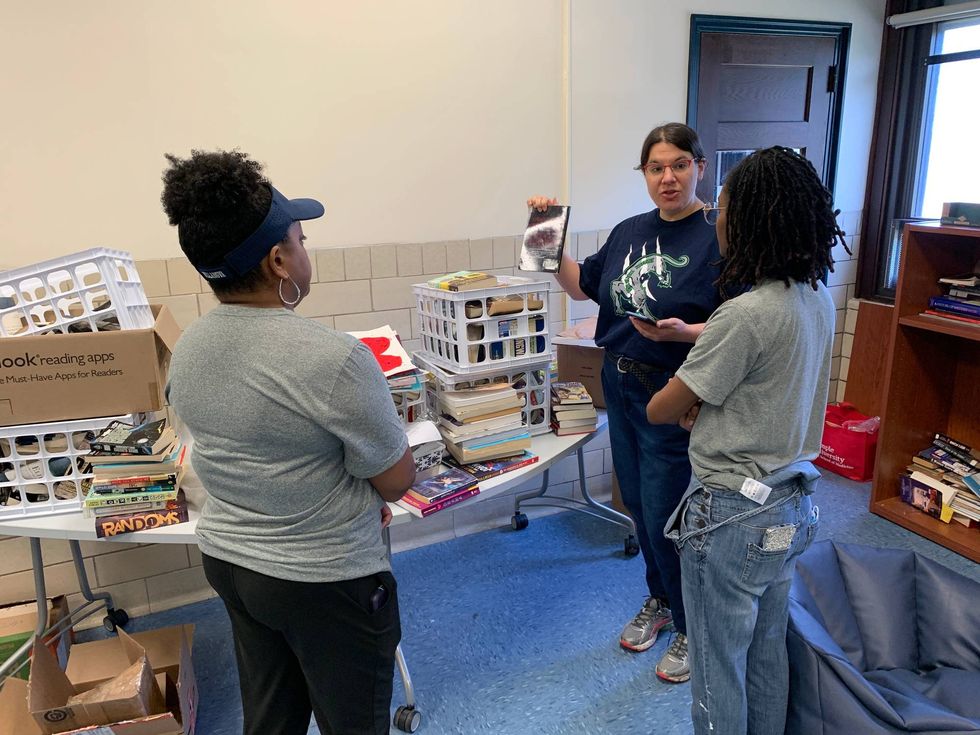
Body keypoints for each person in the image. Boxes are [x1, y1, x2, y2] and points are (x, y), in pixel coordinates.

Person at [161, 149, 416, 735]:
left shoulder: (190, 345)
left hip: (231, 562)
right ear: (279, 260)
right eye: (301, 239)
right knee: (354, 720)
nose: (306, 251)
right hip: (324, 579)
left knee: (271, 715)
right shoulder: (335, 358)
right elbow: (395, 479)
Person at [648, 146, 845, 735]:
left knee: (716, 669)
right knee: (765, 653)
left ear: (750, 218)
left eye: (724, 207)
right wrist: (711, 407)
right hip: (793, 504)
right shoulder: (817, 299)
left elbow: (662, 409)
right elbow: (772, 388)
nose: (718, 219)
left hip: (732, 515)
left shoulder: (742, 315)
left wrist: (695, 402)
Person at [529, 122, 722, 682]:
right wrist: (544, 229)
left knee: (665, 513)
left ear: (699, 167)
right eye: (656, 168)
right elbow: (576, 285)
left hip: (675, 388)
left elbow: (740, 325)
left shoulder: (716, 234)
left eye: (679, 165)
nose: (668, 178)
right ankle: (662, 601)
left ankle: (692, 626)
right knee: (638, 504)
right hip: (620, 380)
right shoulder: (629, 230)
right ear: (643, 174)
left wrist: (683, 334)